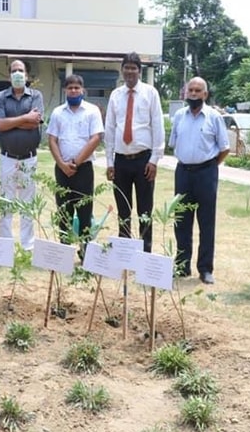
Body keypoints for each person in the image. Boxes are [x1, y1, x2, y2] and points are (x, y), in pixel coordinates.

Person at [169, 76, 229, 284]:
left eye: (198, 91)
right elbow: (173, 143)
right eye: (190, 90)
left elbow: (224, 148)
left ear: (205, 94)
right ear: (186, 93)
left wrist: (209, 166)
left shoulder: (214, 117)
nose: (193, 94)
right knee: (182, 220)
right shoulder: (178, 116)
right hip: (183, 172)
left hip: (206, 173)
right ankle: (182, 265)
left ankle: (205, 269)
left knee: (206, 221)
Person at [104, 52, 164, 253]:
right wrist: (109, 163)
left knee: (145, 210)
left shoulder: (150, 93)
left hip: (143, 160)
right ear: (122, 70)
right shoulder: (115, 95)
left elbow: (157, 126)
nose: (130, 71)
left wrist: (155, 160)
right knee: (123, 210)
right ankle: (125, 252)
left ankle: (145, 253)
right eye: (126, 67)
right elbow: (110, 129)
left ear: (139, 70)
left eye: (134, 68)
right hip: (121, 160)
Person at [47, 74, 104, 255]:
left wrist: (76, 163)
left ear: (83, 90)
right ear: (65, 90)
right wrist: (63, 165)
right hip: (62, 171)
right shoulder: (57, 113)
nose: (73, 91)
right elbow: (52, 140)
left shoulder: (92, 111)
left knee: (85, 212)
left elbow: (96, 138)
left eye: (76, 88)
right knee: (64, 212)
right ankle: (64, 252)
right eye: (70, 88)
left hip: (84, 170)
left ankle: (85, 252)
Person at [0, 59, 44, 251]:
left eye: (20, 70)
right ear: (9, 75)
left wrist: (10, 122)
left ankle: (28, 245)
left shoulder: (36, 96)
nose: (17, 74)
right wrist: (24, 119)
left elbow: (35, 123)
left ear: (27, 75)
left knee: (27, 203)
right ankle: (5, 245)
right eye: (14, 71)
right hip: (7, 158)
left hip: (29, 158)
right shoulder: (1, 98)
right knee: (6, 202)